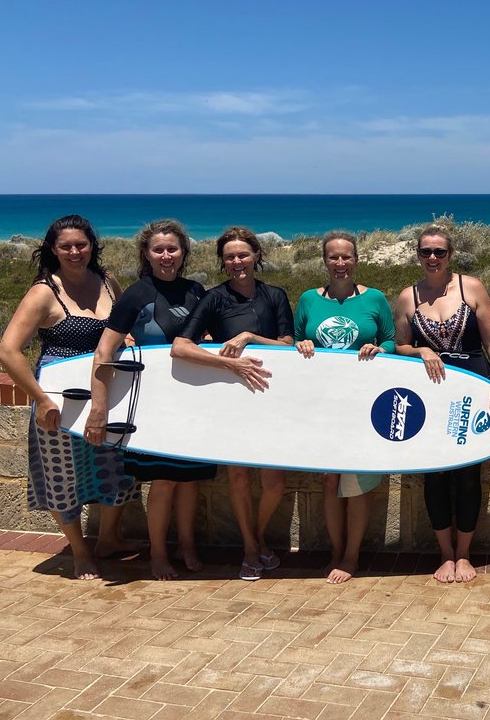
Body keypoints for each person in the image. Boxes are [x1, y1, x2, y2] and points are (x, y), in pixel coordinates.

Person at [0, 215, 139, 580]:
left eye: (81, 244)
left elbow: (123, 325)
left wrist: (125, 337)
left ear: (92, 245)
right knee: (63, 477)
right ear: (53, 250)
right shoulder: (45, 292)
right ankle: (79, 551)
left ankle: (108, 539)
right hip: (59, 399)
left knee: (117, 468)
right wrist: (41, 399)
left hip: (109, 394)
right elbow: (8, 352)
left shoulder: (108, 282)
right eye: (66, 246)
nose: (75, 252)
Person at [84, 219, 214, 580]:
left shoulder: (196, 291)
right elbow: (103, 352)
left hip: (192, 400)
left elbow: (208, 338)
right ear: (146, 253)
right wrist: (99, 405)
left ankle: (187, 545)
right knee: (163, 481)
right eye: (158, 249)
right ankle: (158, 554)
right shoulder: (136, 294)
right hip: (154, 407)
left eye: (173, 249)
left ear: (184, 252)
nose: (166, 255)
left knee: (190, 479)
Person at [171, 226, 294, 581]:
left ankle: (255, 537)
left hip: (270, 397)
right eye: (230, 257)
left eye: (243, 255)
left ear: (257, 256)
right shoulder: (213, 299)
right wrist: (229, 363)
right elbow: (181, 347)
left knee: (273, 482)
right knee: (239, 477)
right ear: (223, 263)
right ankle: (251, 548)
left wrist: (251, 338)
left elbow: (288, 345)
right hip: (231, 400)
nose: (237, 262)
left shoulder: (275, 295)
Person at [393, 225, 490, 584]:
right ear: (417, 254)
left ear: (450, 255)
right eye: (426, 252)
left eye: (440, 252)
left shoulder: (470, 287)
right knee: (435, 474)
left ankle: (464, 554)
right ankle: (445, 554)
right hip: (430, 395)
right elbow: (399, 345)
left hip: (472, 389)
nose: (433, 258)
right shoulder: (407, 296)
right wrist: (421, 348)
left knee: (468, 474)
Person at [294, 230, 396, 584]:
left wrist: (380, 350)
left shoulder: (375, 299)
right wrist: (301, 344)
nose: (340, 263)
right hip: (322, 404)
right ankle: (336, 551)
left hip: (362, 403)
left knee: (357, 483)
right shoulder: (308, 299)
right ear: (324, 261)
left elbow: (391, 340)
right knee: (328, 480)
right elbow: (293, 340)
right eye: (333, 257)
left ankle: (352, 556)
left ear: (356, 260)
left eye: (346, 257)